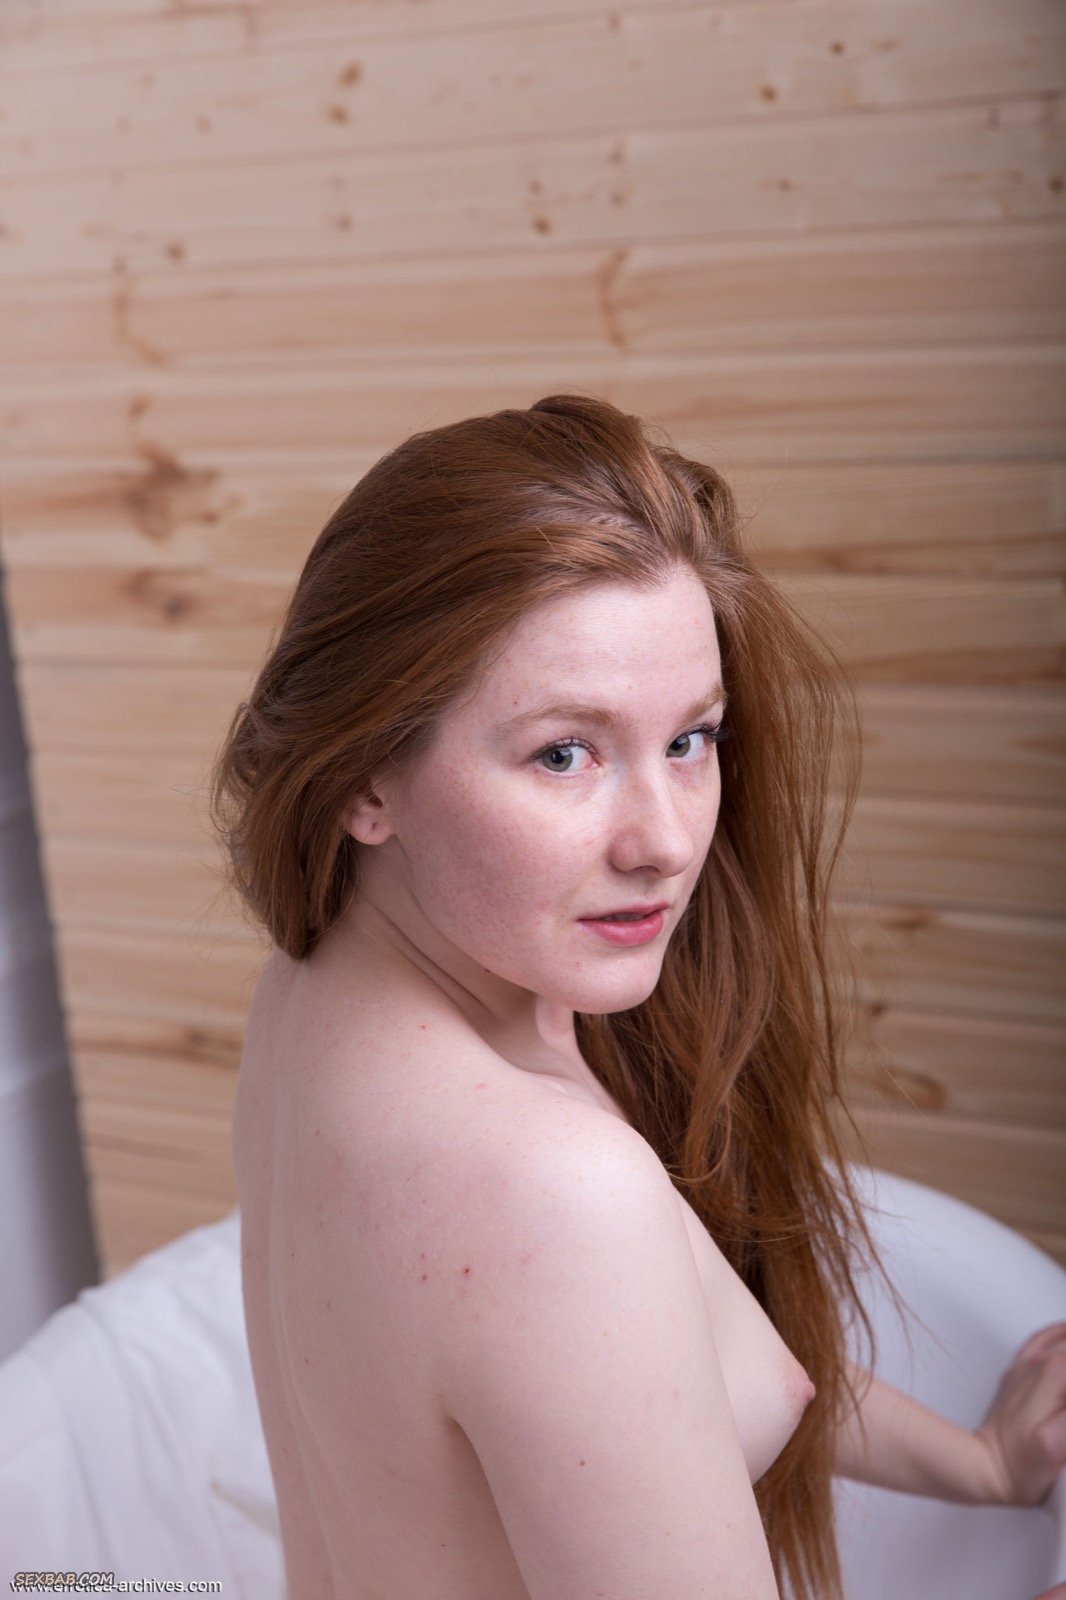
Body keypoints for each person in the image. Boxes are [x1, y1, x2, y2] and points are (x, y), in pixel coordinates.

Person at [209, 393, 1066, 1600]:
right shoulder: (552, 1188)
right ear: (363, 778)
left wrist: (980, 1463)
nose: (664, 841)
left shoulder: (318, 995)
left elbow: (642, 1372)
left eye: (691, 739)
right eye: (563, 752)